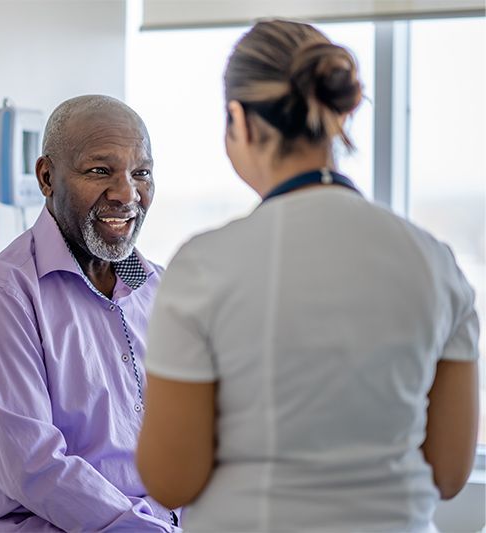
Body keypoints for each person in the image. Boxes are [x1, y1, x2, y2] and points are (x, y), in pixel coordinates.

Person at [136, 19, 480, 533]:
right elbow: (450, 473)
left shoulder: (205, 266)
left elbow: (171, 481)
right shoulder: (436, 262)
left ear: (239, 119)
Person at [0, 95, 180, 532]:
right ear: (47, 177)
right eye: (100, 171)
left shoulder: (160, 290)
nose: (127, 194)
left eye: (141, 173)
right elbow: (33, 467)